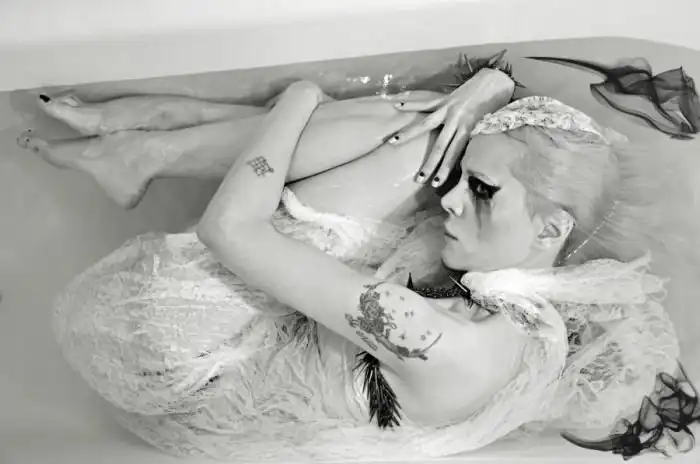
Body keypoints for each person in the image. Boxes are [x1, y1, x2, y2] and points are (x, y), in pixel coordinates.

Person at [20, 61, 699, 461]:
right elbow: (503, 135)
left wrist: (297, 101)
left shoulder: (432, 335)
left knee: (416, 138)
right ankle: (148, 146)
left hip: (160, 345)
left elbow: (230, 228)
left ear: (552, 226)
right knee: (431, 137)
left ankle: (154, 144)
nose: (453, 199)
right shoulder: (543, 313)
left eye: (482, 192)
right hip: (278, 347)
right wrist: (490, 90)